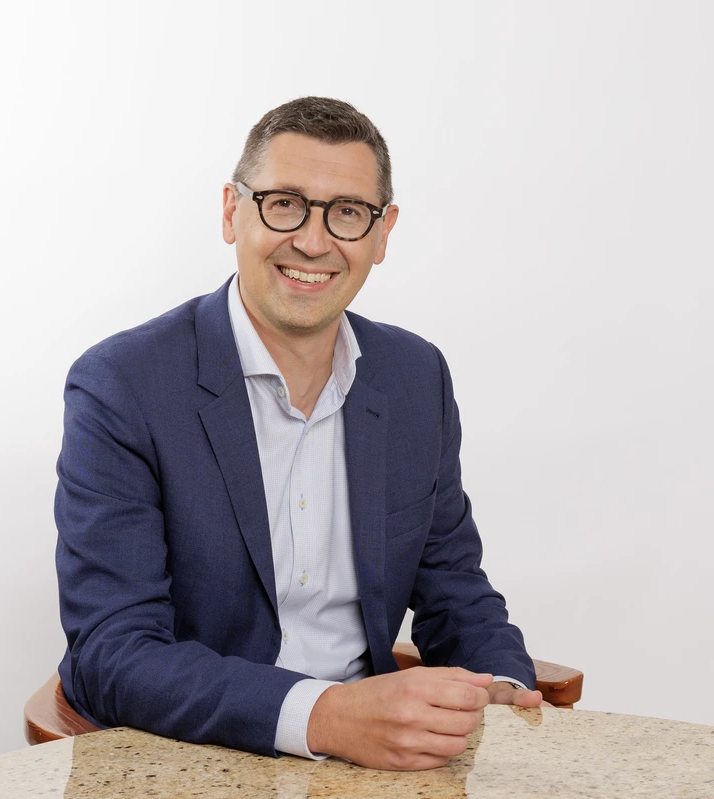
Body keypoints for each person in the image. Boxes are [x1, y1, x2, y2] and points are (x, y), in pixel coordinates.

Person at [55, 96, 543, 772]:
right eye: (284, 204)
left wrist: (501, 686)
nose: (314, 242)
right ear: (231, 212)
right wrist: (327, 715)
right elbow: (114, 651)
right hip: (194, 757)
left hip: (379, 768)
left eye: (347, 212)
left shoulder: (415, 377)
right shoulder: (123, 385)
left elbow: (454, 589)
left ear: (381, 233)